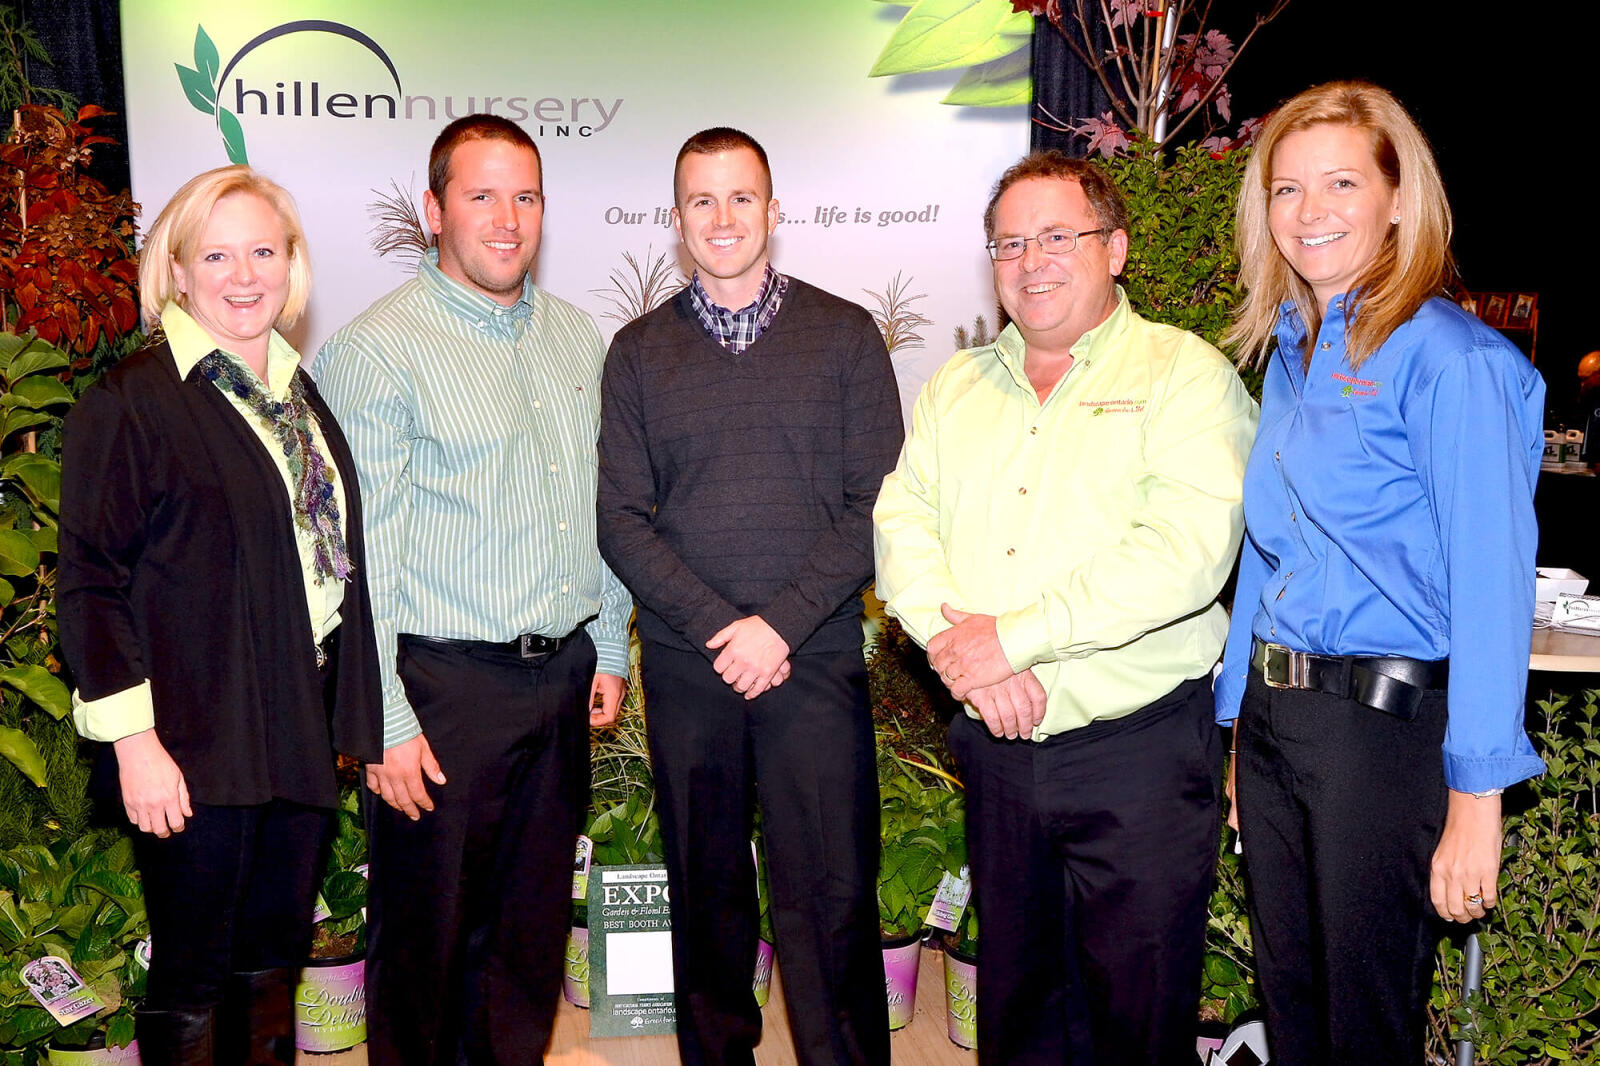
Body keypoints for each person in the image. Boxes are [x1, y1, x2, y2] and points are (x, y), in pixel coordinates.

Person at [873, 150, 1257, 1065]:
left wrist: (1012, 641)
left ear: (1115, 249)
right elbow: (900, 522)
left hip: (1139, 754)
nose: (1030, 259)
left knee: (1138, 1015)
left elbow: (1183, 556)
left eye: (1057, 236)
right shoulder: (956, 387)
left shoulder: (1187, 376)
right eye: (1009, 242)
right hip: (999, 754)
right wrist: (961, 654)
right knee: (1018, 1009)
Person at [1214, 80, 1547, 1065]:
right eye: (1286, 189)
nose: (1309, 211)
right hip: (1280, 728)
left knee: (1364, 1029)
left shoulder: (1450, 360)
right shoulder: (1288, 351)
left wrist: (1475, 803)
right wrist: (1240, 734)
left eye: (1341, 182)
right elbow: (1265, 554)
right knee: (1294, 1013)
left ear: (1398, 199)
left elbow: (1493, 584)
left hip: (1381, 737)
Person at [313, 115, 632, 1065]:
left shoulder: (582, 340)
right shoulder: (377, 352)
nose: (507, 219)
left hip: (562, 678)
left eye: (525, 196)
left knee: (528, 937)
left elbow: (600, 505)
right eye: (481, 195)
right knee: (427, 940)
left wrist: (609, 645)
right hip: (439, 690)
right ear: (434, 209)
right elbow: (353, 560)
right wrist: (385, 721)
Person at [57, 165, 384, 1065]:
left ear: (293, 264)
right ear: (179, 268)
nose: (244, 275)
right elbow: (88, 583)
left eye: (264, 252)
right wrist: (135, 744)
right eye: (217, 254)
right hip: (190, 744)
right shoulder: (133, 399)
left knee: (272, 966)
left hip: (296, 729)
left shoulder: (295, 394)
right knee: (195, 978)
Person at [596, 127, 901, 1066]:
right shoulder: (639, 353)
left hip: (811, 662)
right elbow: (621, 521)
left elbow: (878, 505)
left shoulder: (845, 335)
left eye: (741, 199)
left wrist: (777, 626)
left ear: (774, 211)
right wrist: (725, 628)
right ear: (678, 221)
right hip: (693, 669)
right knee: (706, 893)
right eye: (701, 201)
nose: (722, 219)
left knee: (831, 896)